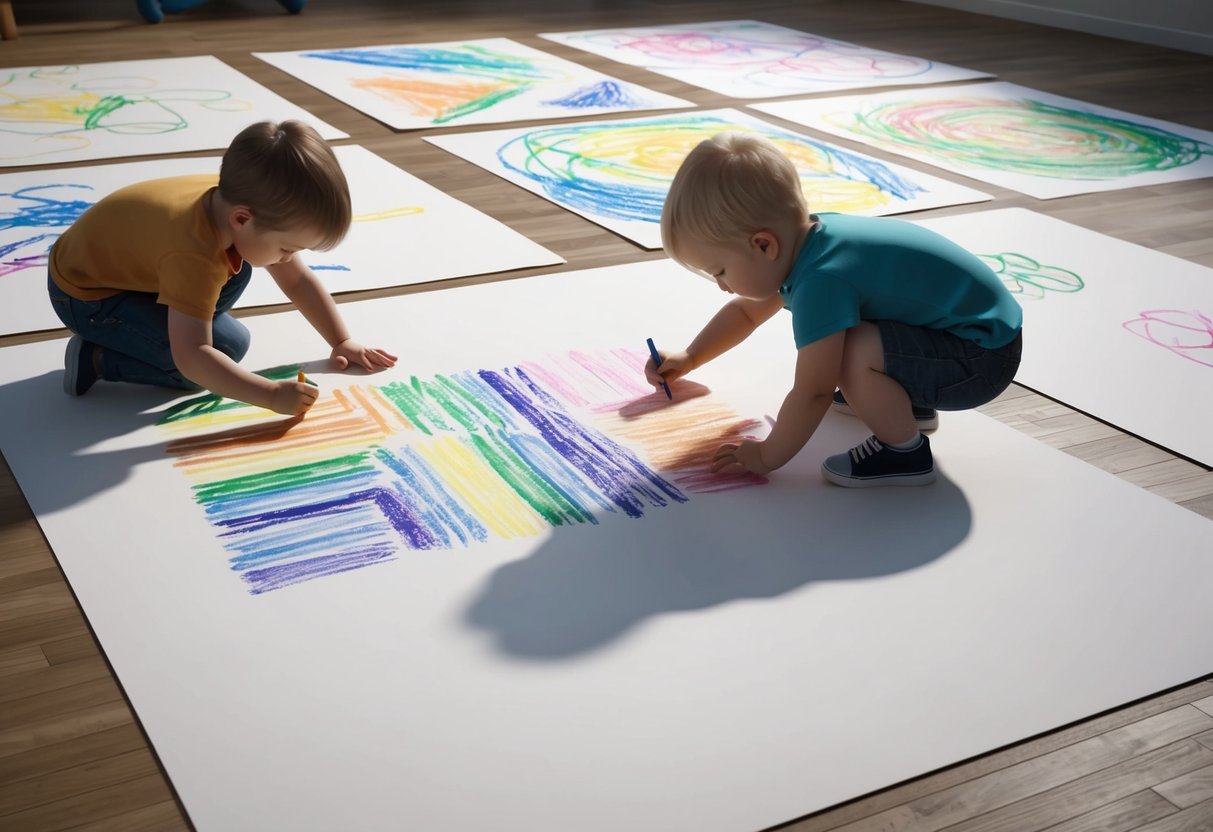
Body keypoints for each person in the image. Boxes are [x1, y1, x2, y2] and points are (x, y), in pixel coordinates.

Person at [646, 132, 1023, 487]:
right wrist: (690, 357)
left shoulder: (821, 282)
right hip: (969, 338)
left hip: (980, 361)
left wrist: (766, 455)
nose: (721, 285)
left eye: (720, 271)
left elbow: (814, 392)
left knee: (846, 355)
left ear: (763, 245)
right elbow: (746, 313)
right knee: (848, 342)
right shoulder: (808, 239)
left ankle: (904, 452)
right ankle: (906, 403)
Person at [48, 120, 396, 415]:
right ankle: (97, 357)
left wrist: (341, 340)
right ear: (242, 218)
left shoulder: (237, 196)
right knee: (208, 364)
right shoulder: (194, 254)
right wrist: (271, 395)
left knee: (237, 276)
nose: (289, 258)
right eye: (287, 248)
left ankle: (165, 321)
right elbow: (193, 358)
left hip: (127, 271)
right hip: (86, 299)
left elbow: (298, 281)